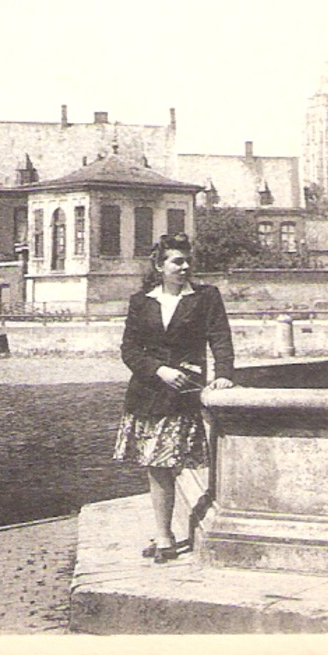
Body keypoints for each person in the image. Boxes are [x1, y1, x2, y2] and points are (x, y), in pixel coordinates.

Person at [114, 232, 234, 564]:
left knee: (174, 464)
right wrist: (159, 371)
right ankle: (164, 535)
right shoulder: (142, 302)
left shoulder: (206, 297)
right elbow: (129, 350)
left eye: (187, 261)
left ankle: (170, 531)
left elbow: (220, 338)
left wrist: (223, 374)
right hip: (148, 394)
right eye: (177, 261)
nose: (185, 267)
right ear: (159, 265)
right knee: (156, 465)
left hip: (185, 395)